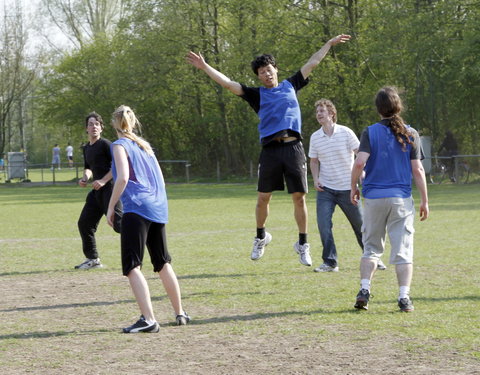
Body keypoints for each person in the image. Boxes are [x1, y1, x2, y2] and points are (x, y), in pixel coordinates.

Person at [187, 34, 351, 266]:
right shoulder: (256, 95)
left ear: (276, 69)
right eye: (261, 71)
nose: (266, 73)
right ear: (258, 76)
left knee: (299, 197)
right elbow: (227, 83)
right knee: (263, 198)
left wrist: (328, 44)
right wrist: (205, 67)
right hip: (271, 150)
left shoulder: (291, 85)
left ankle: (303, 243)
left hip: (293, 148)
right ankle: (261, 236)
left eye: (269, 69)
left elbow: (312, 62)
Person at [107, 105, 190, 333]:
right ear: (132, 122)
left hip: (137, 208)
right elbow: (161, 182)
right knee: (163, 262)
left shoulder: (119, 145)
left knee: (132, 265)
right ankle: (180, 312)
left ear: (115, 124)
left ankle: (148, 319)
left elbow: (122, 178)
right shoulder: (145, 147)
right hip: (158, 208)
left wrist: (111, 206)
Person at [350, 86, 429, 312]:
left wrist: (353, 187)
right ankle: (404, 297)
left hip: (374, 198)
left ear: (379, 109)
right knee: (403, 250)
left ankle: (364, 290)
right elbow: (418, 170)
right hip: (400, 199)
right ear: (398, 106)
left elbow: (358, 163)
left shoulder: (370, 132)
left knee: (371, 248)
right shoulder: (411, 133)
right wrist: (424, 200)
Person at [308, 99, 386, 273]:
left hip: (348, 188)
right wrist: (315, 179)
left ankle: (373, 258)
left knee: (361, 226)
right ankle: (330, 262)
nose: (319, 114)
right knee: (323, 225)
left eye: (322, 111)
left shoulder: (346, 132)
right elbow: (313, 162)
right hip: (325, 189)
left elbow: (361, 155)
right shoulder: (315, 137)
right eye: (317, 112)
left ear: (331, 114)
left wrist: (363, 174)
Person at [75, 112, 122, 270]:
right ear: (86, 128)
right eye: (90, 124)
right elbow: (88, 167)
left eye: (96, 124)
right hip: (96, 192)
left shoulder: (106, 145)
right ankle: (92, 259)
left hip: (110, 189)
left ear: (101, 127)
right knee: (84, 223)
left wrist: (103, 180)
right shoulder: (87, 148)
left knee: (119, 225)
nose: (93, 126)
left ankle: (147, 243)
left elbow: (117, 167)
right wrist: (85, 178)